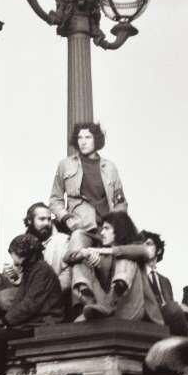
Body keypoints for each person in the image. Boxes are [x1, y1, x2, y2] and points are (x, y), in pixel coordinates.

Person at [49, 122, 128, 306]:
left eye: (88, 137)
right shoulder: (65, 165)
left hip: (105, 229)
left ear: (96, 140)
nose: (83, 142)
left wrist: (116, 226)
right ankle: (82, 298)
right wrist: (66, 218)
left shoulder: (110, 167)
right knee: (77, 244)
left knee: (107, 268)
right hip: (80, 226)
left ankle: (108, 304)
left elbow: (121, 202)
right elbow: (55, 199)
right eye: (80, 138)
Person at [0, 234, 63, 375]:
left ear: (26, 255)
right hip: (34, 321)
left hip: (45, 323)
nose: (14, 260)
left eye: (15, 255)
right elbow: (20, 302)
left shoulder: (41, 270)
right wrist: (1, 324)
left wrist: (5, 322)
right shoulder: (31, 270)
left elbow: (30, 304)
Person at [64, 210, 148, 320]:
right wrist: (84, 253)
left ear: (119, 229)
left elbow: (143, 250)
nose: (102, 233)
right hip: (105, 307)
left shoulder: (134, 250)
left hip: (129, 309)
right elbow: (66, 258)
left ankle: (106, 306)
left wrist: (105, 251)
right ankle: (91, 305)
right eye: (102, 229)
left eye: (107, 228)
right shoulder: (103, 256)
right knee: (80, 263)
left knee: (125, 258)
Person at [136, 230, 188, 334]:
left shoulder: (165, 281)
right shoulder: (137, 274)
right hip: (149, 319)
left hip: (168, 321)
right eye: (141, 245)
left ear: (159, 251)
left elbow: (170, 304)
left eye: (148, 244)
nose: (143, 247)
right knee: (174, 308)